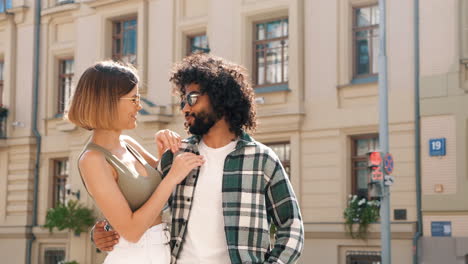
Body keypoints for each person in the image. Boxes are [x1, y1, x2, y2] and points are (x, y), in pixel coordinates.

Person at [93, 54, 304, 264]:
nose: (185, 108)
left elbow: (291, 225)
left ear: (219, 97)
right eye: (183, 101)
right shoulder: (176, 156)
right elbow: (147, 212)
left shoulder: (262, 160)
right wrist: (105, 231)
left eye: (192, 98)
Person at [67, 60, 204, 264]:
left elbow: (156, 187)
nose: (139, 105)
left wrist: (163, 151)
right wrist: (173, 177)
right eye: (133, 99)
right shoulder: (93, 161)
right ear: (108, 101)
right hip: (135, 254)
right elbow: (131, 231)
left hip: (161, 250)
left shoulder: (128, 143)